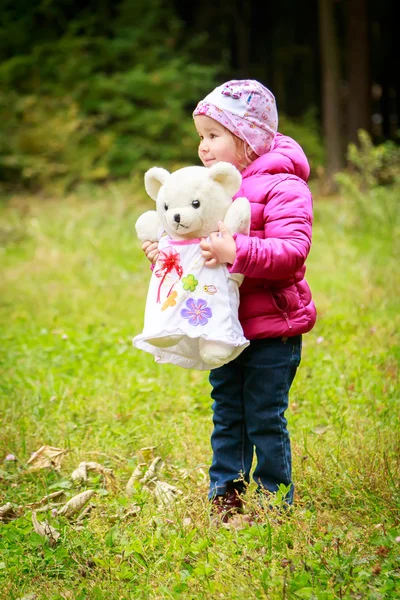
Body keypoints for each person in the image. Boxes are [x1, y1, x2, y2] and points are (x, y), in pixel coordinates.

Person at [142, 79, 317, 521]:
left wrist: (237, 252)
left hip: (270, 328)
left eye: (213, 136)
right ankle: (226, 493)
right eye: (200, 136)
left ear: (247, 138)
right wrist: (165, 258)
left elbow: (293, 252)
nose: (203, 147)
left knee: (262, 413)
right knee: (227, 412)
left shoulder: (283, 187)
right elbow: (194, 258)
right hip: (220, 327)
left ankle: (275, 497)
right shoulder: (208, 187)